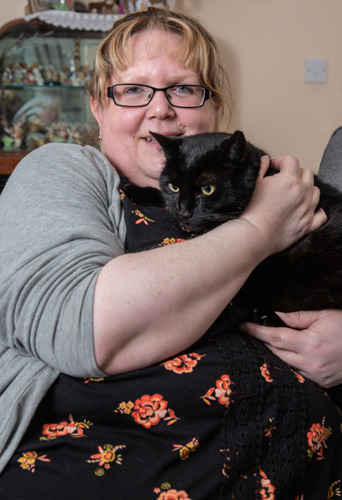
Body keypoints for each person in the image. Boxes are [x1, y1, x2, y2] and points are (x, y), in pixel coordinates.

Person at [0, 6, 340, 499]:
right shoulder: (62, 171)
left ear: (213, 108)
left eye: (183, 88)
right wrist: (262, 228)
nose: (160, 110)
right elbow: (84, 328)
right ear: (98, 105)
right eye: (133, 90)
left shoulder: (256, 186)